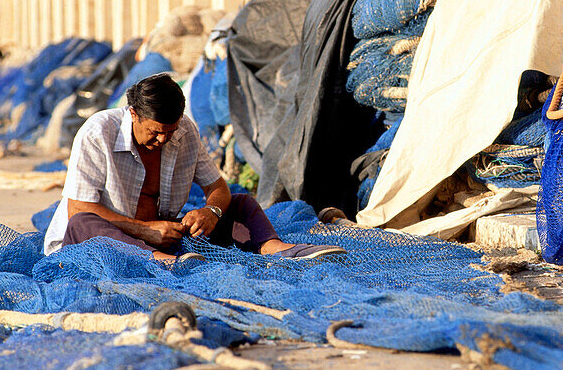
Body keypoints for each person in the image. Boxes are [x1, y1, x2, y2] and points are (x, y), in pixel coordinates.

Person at [43, 72, 345, 263]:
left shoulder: (185, 130)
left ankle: (276, 248)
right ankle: (163, 262)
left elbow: (218, 188)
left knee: (240, 203)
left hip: (166, 236)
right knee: (84, 222)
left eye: (169, 132)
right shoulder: (98, 132)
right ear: (133, 114)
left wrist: (210, 213)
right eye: (154, 132)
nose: (162, 139)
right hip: (104, 241)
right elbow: (79, 208)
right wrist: (145, 231)